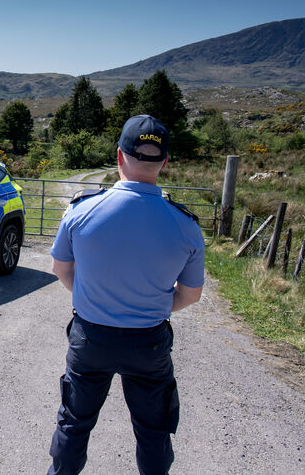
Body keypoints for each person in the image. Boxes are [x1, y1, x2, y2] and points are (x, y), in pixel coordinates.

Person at [47, 114, 205, 475]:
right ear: (164, 162)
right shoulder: (185, 225)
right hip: (149, 343)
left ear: (119, 156)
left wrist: (91, 298)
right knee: (153, 432)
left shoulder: (81, 211)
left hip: (91, 338)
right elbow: (191, 295)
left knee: (74, 424)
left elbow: (61, 270)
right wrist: (152, 306)